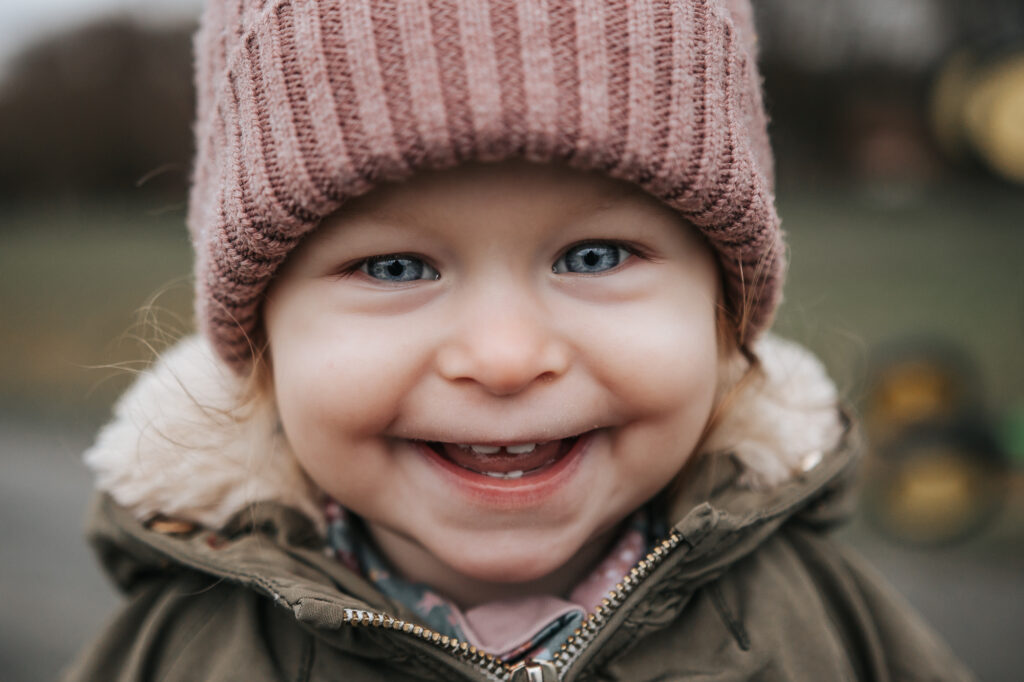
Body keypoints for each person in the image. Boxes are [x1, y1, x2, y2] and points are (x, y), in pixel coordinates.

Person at [66, 1, 975, 680]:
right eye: (394, 268)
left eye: (594, 254)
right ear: (261, 337)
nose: (504, 358)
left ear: (723, 313)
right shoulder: (176, 653)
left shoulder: (828, 630)